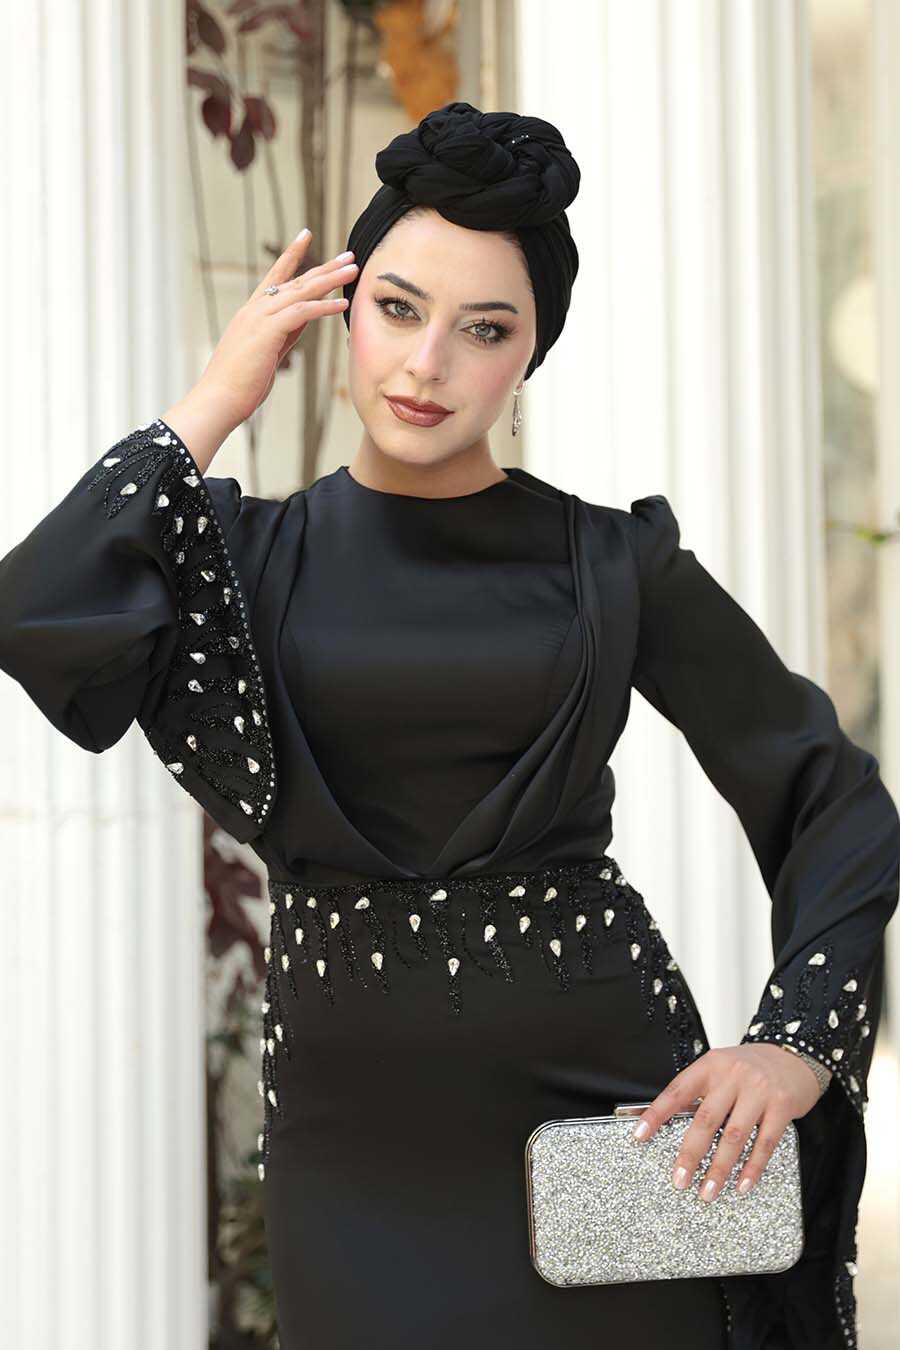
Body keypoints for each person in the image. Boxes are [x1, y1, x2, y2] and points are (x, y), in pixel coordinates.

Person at [0, 101, 896, 1350]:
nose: (427, 364)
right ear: (340, 311)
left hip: (603, 1122)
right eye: (398, 308)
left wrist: (795, 1043)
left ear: (530, 355)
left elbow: (828, 792)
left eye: (485, 329)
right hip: (351, 1158)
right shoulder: (244, 559)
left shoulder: (611, 563)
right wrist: (209, 402)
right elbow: (35, 617)